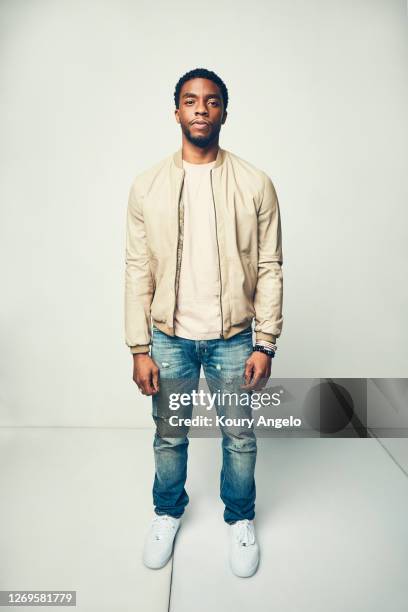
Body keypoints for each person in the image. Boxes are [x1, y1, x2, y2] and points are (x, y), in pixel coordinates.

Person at [124, 67, 283, 578]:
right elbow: (137, 268)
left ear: (223, 113)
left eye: (211, 102)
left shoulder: (255, 183)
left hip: (234, 338)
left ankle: (239, 517)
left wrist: (266, 342)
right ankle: (167, 512)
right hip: (168, 337)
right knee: (169, 434)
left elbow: (269, 266)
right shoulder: (147, 186)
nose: (200, 109)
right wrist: (138, 347)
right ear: (176, 111)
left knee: (240, 435)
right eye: (190, 101)